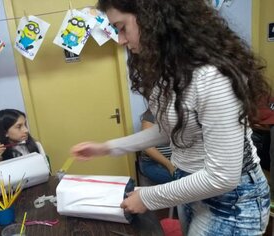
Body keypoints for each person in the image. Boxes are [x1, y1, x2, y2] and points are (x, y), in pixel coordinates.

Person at [71, 0, 272, 235]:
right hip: (189, 186)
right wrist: (106, 148)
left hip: (233, 202)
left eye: (122, 27)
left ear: (153, 18)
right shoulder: (169, 73)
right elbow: (171, 129)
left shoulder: (212, 77)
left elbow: (222, 177)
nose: (120, 40)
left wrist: (149, 196)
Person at [138, 108, 174, 184]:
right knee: (180, 180)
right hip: (153, 163)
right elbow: (148, 147)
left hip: (176, 160)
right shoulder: (151, 114)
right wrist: (170, 166)